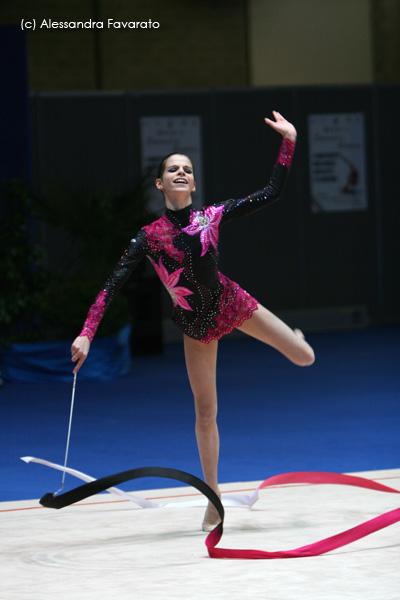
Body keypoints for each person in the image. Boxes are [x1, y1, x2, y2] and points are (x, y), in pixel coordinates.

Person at [71, 111, 315, 531]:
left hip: (230, 303)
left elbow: (271, 193)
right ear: (160, 184)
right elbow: (112, 284)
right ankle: (213, 495)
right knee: (206, 412)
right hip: (195, 325)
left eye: (187, 169)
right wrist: (86, 334)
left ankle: (293, 335)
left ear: (194, 184)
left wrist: (289, 141)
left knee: (304, 357)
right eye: (172, 169)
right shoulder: (149, 237)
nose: (181, 172)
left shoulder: (212, 216)